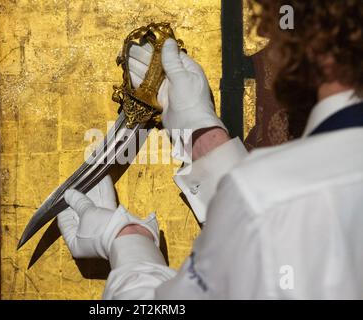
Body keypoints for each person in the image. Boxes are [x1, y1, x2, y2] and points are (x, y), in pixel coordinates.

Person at [57, 0, 363, 299]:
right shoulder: (273, 196)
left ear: (317, 39)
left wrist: (126, 242)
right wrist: (200, 133)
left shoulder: (271, 198)